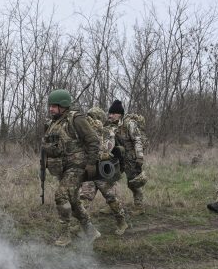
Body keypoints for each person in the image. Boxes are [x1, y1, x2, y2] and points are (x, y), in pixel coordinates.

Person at [41, 89, 101, 246]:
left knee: (61, 195)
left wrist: (91, 163)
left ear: (63, 106)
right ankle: (91, 231)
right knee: (73, 201)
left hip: (76, 166)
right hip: (63, 168)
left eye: (54, 106)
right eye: (50, 106)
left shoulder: (76, 119)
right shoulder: (53, 123)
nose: (50, 109)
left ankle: (65, 235)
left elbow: (93, 141)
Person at [80, 107, 130, 235]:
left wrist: (96, 131)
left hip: (103, 170)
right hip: (89, 171)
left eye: (92, 117)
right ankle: (79, 225)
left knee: (111, 198)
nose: (90, 119)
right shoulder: (84, 131)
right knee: (84, 199)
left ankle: (122, 222)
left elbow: (106, 148)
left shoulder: (107, 131)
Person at [107, 99, 147, 211]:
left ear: (120, 114)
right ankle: (113, 206)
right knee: (111, 180)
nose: (110, 116)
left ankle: (139, 207)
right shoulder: (110, 126)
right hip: (117, 158)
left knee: (133, 182)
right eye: (110, 113)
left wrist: (139, 157)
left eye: (113, 113)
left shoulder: (129, 124)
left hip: (131, 158)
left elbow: (137, 140)